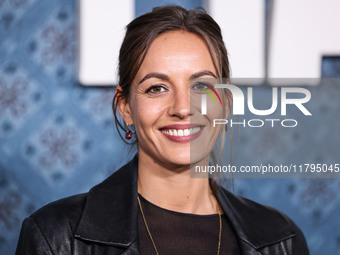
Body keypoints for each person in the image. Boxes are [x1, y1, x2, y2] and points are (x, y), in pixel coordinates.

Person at [15, 6, 309, 255]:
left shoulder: (282, 238)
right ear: (126, 107)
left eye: (201, 86)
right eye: (157, 88)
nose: (183, 108)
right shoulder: (56, 237)